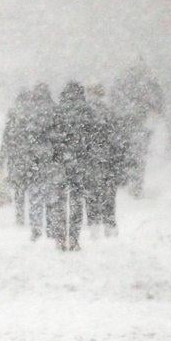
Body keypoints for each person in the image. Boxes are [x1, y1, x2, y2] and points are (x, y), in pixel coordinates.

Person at [46, 82, 97, 251]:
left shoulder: (57, 111)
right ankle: (73, 237)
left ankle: (60, 237)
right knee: (76, 201)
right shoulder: (87, 111)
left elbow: (50, 136)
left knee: (59, 200)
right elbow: (94, 137)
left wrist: (55, 155)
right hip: (80, 162)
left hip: (60, 162)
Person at [110, 61, 165, 198]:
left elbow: (114, 102)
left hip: (128, 125)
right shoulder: (148, 85)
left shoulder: (122, 86)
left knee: (129, 155)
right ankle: (135, 185)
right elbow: (157, 104)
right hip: (140, 126)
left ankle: (130, 183)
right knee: (138, 156)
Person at [84, 83, 128, 237]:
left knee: (91, 193)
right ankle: (109, 224)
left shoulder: (85, 113)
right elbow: (118, 140)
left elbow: (81, 139)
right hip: (109, 161)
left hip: (90, 160)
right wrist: (120, 161)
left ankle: (94, 224)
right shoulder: (110, 112)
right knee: (108, 194)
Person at [22, 83, 56, 241]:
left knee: (35, 196)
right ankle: (50, 227)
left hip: (35, 160)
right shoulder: (55, 110)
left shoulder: (30, 112)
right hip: (52, 160)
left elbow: (26, 137)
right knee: (50, 196)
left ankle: (36, 227)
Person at [0, 89, 32, 225]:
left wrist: (2, 158)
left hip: (15, 157)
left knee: (19, 189)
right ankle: (34, 213)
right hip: (29, 157)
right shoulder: (32, 115)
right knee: (32, 187)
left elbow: (6, 138)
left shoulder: (13, 115)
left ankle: (20, 215)